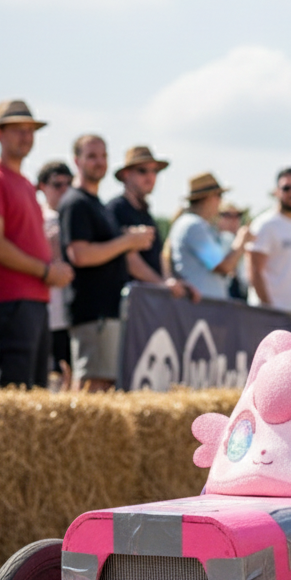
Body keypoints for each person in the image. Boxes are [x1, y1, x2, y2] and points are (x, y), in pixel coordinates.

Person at [0, 99, 72, 388]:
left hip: (34, 300)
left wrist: (52, 270)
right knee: (14, 393)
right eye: (18, 129)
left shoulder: (25, 184)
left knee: (34, 394)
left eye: (30, 130)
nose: (26, 136)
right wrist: (46, 271)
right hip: (9, 300)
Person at [59, 134, 154, 392]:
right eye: (91, 156)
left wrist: (127, 240)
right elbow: (80, 254)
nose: (99, 162)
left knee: (105, 386)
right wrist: (127, 242)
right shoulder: (76, 202)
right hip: (93, 313)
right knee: (92, 386)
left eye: (103, 156)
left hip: (107, 313)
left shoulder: (97, 204)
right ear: (77, 161)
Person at [106, 145, 193, 299]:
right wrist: (162, 284)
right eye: (142, 170)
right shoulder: (116, 209)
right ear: (126, 174)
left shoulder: (146, 213)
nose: (150, 176)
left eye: (155, 171)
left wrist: (170, 281)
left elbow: (159, 255)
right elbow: (128, 259)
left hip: (147, 300)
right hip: (126, 300)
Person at [246, 168, 291, 313]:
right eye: (286, 188)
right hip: (270, 314)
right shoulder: (264, 224)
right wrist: (268, 308)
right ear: (276, 191)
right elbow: (254, 270)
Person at [167, 173, 251, 300]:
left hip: (200, 304)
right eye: (219, 195)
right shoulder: (194, 226)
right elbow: (223, 266)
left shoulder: (193, 224)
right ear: (209, 197)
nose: (221, 201)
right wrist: (242, 241)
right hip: (199, 306)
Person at [35, 160, 74, 379]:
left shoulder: (74, 214)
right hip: (50, 314)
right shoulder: (38, 218)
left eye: (69, 184)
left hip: (72, 315)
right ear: (43, 187)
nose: (64, 190)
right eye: (58, 185)